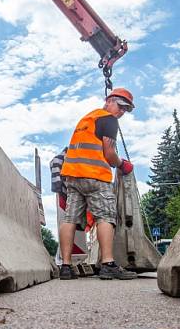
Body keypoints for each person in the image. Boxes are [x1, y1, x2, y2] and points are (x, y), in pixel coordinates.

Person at [58, 88, 138, 281]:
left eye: (125, 110)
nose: (121, 112)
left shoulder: (87, 119)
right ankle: (108, 264)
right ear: (109, 101)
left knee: (69, 218)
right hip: (95, 176)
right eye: (121, 106)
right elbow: (109, 154)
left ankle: (66, 267)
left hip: (73, 176)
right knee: (105, 217)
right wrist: (121, 164)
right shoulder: (109, 120)